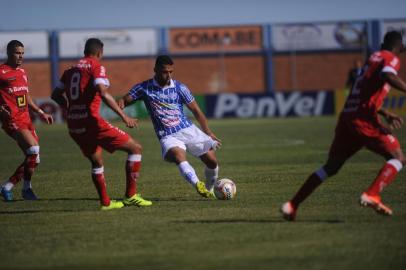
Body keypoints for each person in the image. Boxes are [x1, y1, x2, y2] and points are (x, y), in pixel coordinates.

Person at [281, 31, 406, 221]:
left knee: (331, 167)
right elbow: (388, 75)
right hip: (363, 119)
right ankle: (372, 193)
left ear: (382, 43)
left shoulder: (372, 58)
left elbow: (364, 92)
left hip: (348, 116)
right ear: (400, 48)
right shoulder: (391, 59)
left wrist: (384, 112)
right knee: (398, 158)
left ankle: (292, 205)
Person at [51, 38, 152, 210]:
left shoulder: (69, 70)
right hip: (92, 122)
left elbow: (55, 95)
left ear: (84, 51)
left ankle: (106, 203)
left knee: (97, 162)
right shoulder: (96, 66)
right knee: (135, 148)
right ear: (99, 53)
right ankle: (131, 196)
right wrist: (124, 116)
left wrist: (70, 108)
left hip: (74, 125)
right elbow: (103, 93)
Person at [118, 55, 221, 198]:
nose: (168, 75)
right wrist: (124, 113)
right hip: (167, 134)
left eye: (171, 72)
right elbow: (124, 100)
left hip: (187, 129)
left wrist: (208, 132)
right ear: (155, 70)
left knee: (212, 161)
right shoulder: (144, 88)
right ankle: (198, 184)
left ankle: (209, 190)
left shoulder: (180, 87)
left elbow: (196, 110)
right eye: (165, 72)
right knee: (179, 157)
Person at [0, 40, 54, 201]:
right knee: (33, 150)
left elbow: (26, 96)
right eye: (17, 53)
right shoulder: (1, 72)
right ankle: (8, 187)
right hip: (12, 120)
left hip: (26, 119)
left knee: (35, 159)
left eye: (22, 53)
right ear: (9, 52)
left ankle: (24, 189)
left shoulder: (22, 72)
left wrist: (40, 112)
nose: (20, 56)